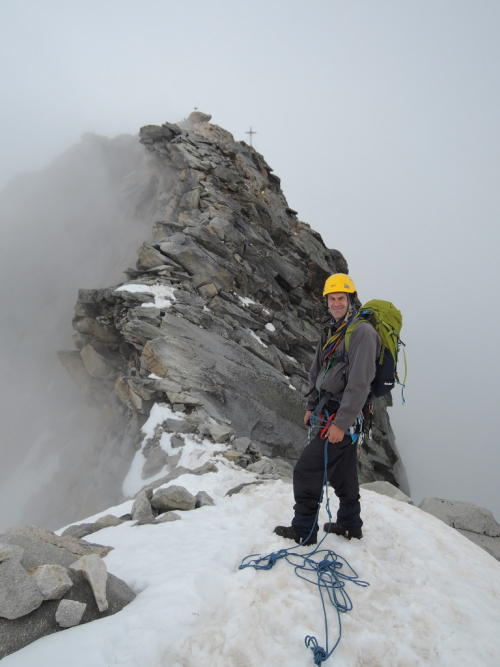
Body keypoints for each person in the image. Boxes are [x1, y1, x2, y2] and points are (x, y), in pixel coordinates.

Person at [274, 273, 381, 545]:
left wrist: (341, 424)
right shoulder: (332, 328)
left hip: (342, 416)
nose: (336, 303)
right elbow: (316, 370)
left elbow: (360, 385)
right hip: (327, 411)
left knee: (307, 471)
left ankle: (304, 530)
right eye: (332, 299)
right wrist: (311, 405)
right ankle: (349, 524)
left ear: (350, 299)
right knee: (342, 473)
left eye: (341, 298)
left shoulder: (363, 333)